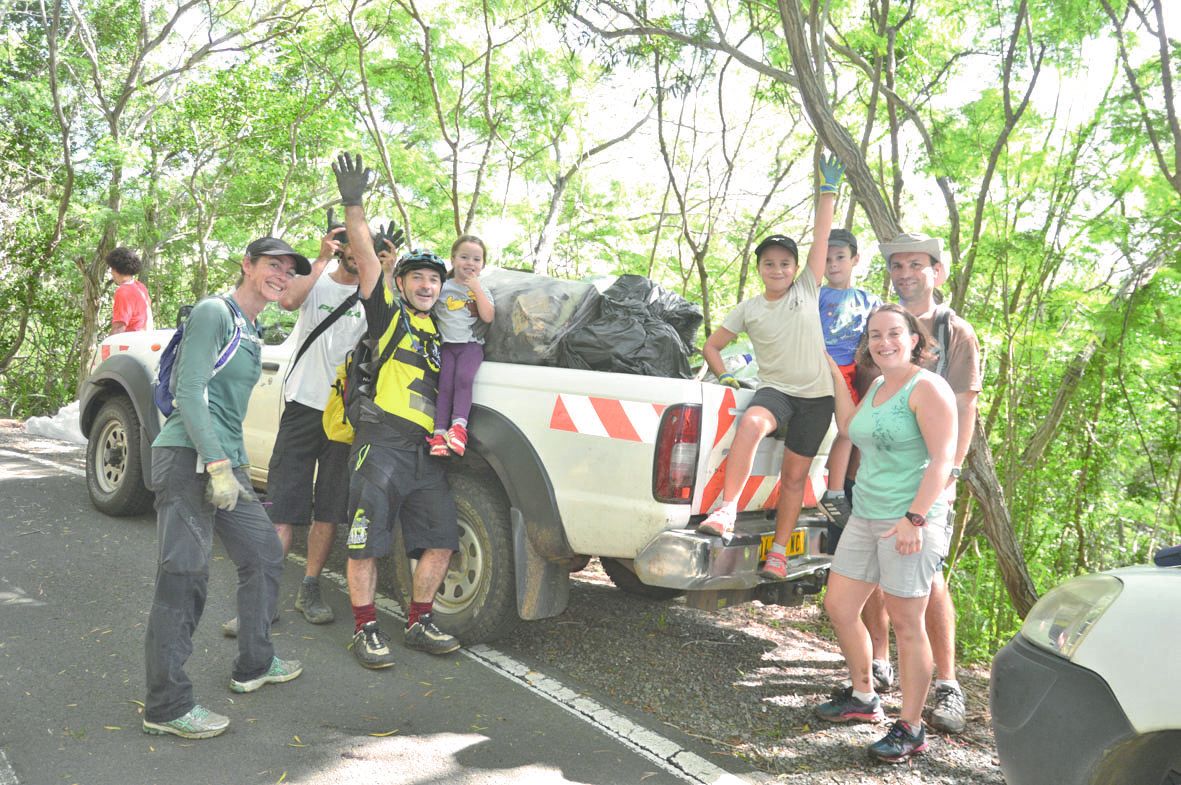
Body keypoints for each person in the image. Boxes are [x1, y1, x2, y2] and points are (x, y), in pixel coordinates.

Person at [142, 237, 310, 740]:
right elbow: (190, 390)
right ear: (248, 265)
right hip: (188, 457)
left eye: (288, 270)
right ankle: (166, 705)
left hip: (226, 463)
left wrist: (227, 465)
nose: (281, 275)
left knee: (263, 553)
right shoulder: (216, 311)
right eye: (272, 265)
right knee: (184, 577)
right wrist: (214, 462)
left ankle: (255, 662)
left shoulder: (251, 327)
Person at [331, 152, 463, 669]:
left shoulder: (447, 332)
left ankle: (418, 620)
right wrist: (354, 206)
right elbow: (366, 261)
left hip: (428, 456)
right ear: (403, 284)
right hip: (381, 446)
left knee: (441, 542)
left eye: (434, 279)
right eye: (418, 278)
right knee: (366, 544)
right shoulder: (389, 317)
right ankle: (364, 629)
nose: (427, 285)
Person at [814, 303, 957, 763]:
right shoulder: (878, 385)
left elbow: (942, 462)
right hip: (866, 514)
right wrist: (834, 372)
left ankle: (911, 728)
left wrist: (915, 519)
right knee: (838, 605)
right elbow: (850, 427)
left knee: (906, 624)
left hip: (908, 521)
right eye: (875, 335)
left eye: (894, 333)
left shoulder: (928, 388)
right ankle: (863, 697)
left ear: (914, 339)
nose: (884, 342)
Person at [220, 218, 373, 638]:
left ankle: (310, 587)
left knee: (328, 507)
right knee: (285, 505)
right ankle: (263, 603)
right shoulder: (318, 280)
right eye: (350, 246)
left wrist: (386, 267)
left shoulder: (372, 294)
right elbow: (288, 303)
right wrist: (321, 257)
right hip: (303, 405)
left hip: (343, 415)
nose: (357, 254)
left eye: (365, 248)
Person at [697, 154, 844, 580]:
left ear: (795, 269)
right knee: (751, 424)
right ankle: (726, 510)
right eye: (769, 263)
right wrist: (723, 373)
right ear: (759, 268)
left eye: (784, 263)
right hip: (775, 391)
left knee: (794, 478)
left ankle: (779, 553)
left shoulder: (806, 291)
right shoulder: (749, 308)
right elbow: (712, 346)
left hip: (816, 399)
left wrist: (827, 192)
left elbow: (820, 238)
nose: (777, 268)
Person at [857, 232, 982, 732]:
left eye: (916, 264)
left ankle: (948, 683)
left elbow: (965, 405)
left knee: (928, 580)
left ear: (937, 271)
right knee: (871, 577)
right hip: (876, 476)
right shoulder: (878, 324)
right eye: (897, 265)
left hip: (928, 481)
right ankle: (879, 667)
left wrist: (949, 474)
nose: (905, 272)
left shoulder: (955, 332)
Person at [816, 229, 880, 532]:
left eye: (840, 257)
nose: (833, 265)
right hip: (816, 367)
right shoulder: (815, 294)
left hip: (849, 371)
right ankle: (816, 485)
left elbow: (880, 333)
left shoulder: (868, 300)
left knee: (848, 428)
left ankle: (835, 492)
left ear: (855, 259)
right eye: (827, 259)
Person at [427, 235, 494, 457]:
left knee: (463, 380)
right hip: (447, 346)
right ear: (453, 259)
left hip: (470, 346)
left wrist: (477, 290)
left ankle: (458, 428)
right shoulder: (442, 287)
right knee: (445, 386)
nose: (470, 263)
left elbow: (488, 316)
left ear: (483, 265)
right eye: (464, 257)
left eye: (476, 259)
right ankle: (439, 434)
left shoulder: (482, 289)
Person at [107, 247, 154, 333]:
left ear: (116, 269)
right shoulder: (140, 286)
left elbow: (119, 327)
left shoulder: (123, 291)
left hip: (131, 342)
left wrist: (105, 345)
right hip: (146, 338)